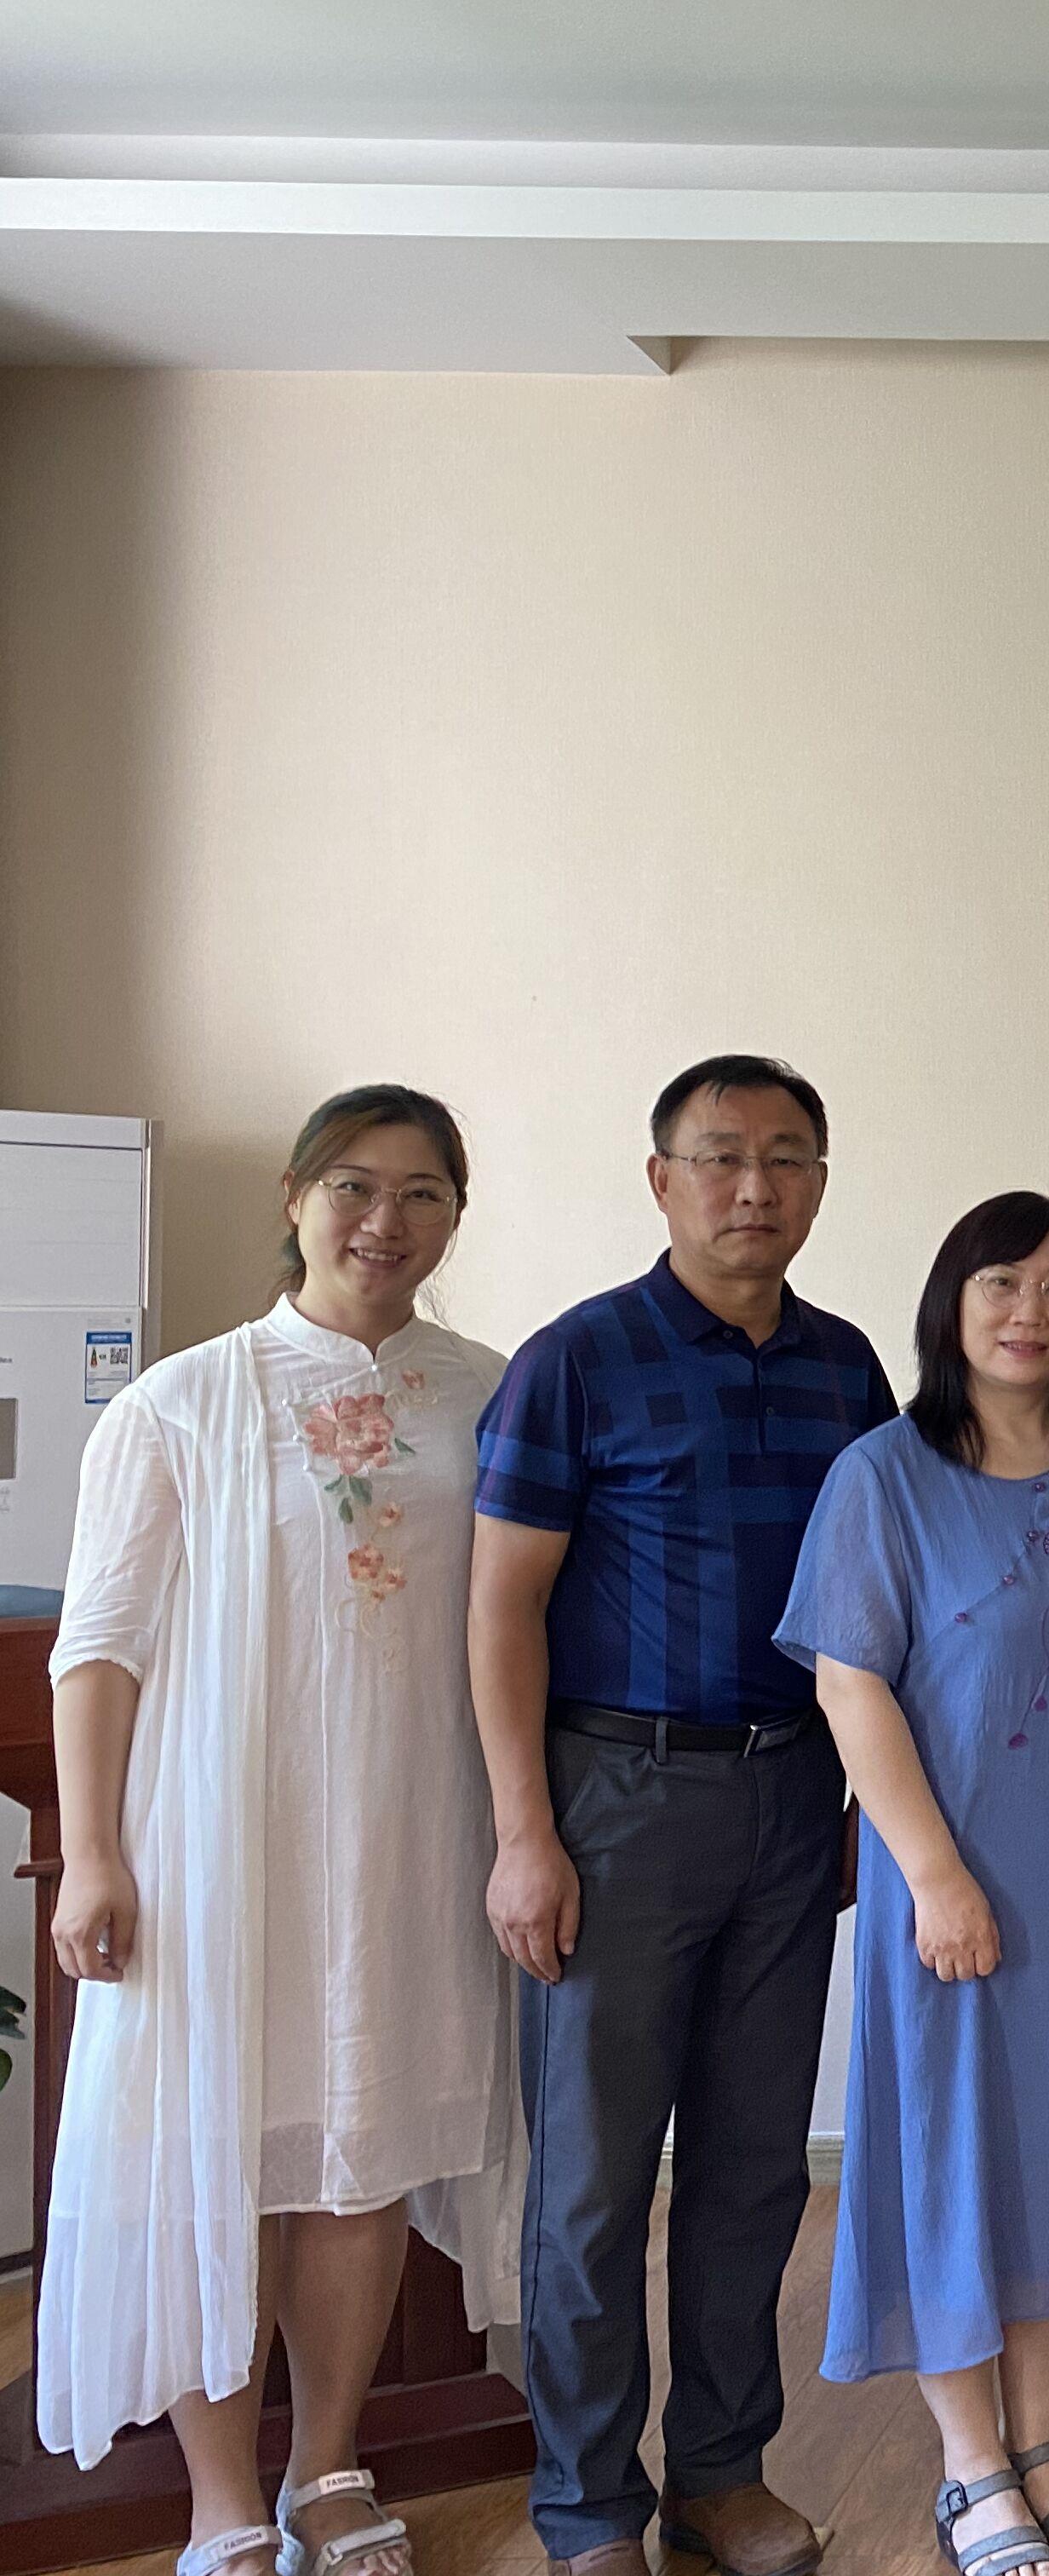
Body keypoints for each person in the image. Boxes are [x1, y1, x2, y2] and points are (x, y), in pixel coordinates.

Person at [41, 1086, 524, 2576]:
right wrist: (94, 1849)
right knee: (209, 2155)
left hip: (411, 1839)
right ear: (298, 1198)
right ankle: (221, 2501)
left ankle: (325, 2468)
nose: (387, 1220)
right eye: (355, 1186)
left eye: (424, 1192)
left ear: (455, 1215)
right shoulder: (182, 1401)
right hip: (215, 1847)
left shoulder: (493, 1393)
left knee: (354, 2157)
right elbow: (99, 1645)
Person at [469, 1054, 897, 2576]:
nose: (753, 1187)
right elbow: (501, 1609)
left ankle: (722, 2472)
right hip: (616, 1801)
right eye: (720, 1157)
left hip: (793, 1793)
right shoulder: (576, 1361)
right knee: (596, 2178)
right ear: (663, 1180)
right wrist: (525, 1832)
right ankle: (588, 2504)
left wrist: (865, 1805)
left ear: (820, 1184)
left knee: (754, 2162)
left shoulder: (850, 1370)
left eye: (786, 1159)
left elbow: (874, 1603)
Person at [775, 1194, 1049, 2576]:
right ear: (952, 1301)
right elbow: (849, 1682)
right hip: (952, 1877)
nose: (1029, 1313)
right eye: (1001, 1282)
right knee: (954, 2153)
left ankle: (1044, 2443)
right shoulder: (883, 1475)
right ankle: (969, 2464)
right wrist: (934, 1875)